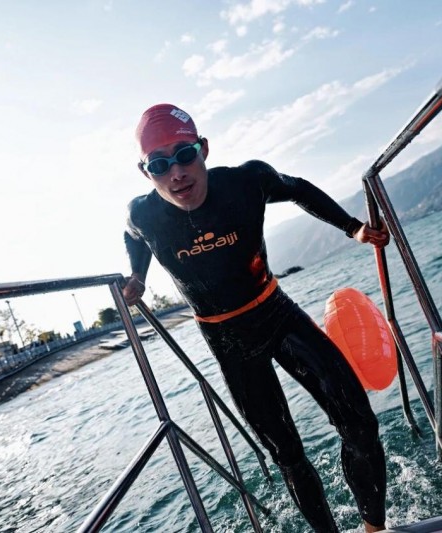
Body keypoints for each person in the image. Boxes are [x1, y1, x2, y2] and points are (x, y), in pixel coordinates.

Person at [123, 104, 390, 532]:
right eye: (159, 164)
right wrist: (137, 274)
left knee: (359, 424)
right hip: (226, 340)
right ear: (146, 172)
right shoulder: (143, 213)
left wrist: (352, 227)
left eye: (185, 155)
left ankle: (374, 528)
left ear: (203, 149)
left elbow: (298, 189)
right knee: (288, 455)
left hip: (276, 313)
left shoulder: (246, 182)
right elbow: (133, 236)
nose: (176, 173)